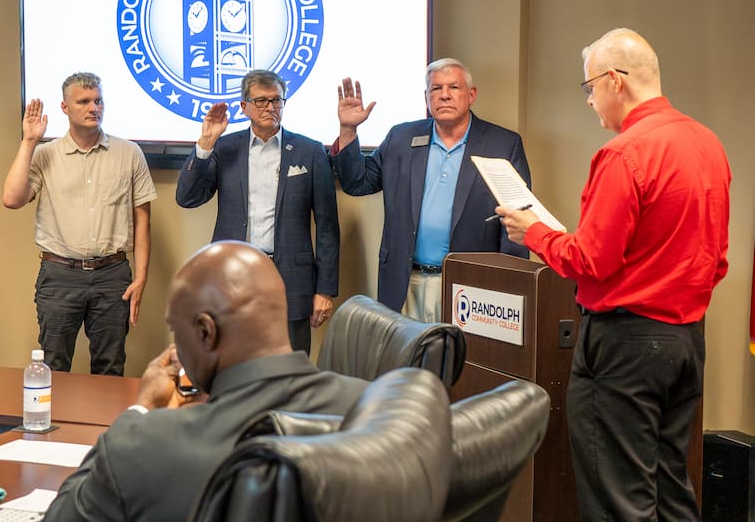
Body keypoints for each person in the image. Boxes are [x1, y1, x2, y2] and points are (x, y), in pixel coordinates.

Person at [499, 28, 730, 521]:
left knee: (618, 502)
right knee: (673, 492)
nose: (589, 101)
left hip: (625, 347)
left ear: (613, 80)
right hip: (687, 342)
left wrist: (534, 232)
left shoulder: (624, 154)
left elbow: (590, 261)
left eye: (588, 88)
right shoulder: (707, 143)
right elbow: (718, 259)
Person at [42, 241, 368, 521]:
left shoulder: (149, 445)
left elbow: (65, 515)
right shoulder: (372, 408)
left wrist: (140, 410)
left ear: (205, 331)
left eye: (176, 330)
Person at [332, 59, 530, 321]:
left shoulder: (503, 144)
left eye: (454, 87)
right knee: (407, 361)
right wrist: (348, 130)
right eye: (436, 89)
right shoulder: (401, 138)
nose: (444, 95)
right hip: (405, 283)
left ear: (471, 95)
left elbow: (517, 222)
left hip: (472, 288)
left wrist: (509, 291)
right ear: (426, 97)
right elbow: (358, 183)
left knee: (463, 361)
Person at [175, 69, 340, 353]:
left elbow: (327, 226)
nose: (270, 108)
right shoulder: (225, 147)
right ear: (244, 106)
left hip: (291, 277)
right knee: (231, 360)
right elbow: (187, 198)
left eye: (276, 100)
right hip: (233, 274)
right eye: (261, 101)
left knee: (290, 365)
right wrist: (205, 144)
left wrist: (324, 290)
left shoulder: (309, 151)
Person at [2, 72, 156, 375]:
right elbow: (11, 198)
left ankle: (106, 425)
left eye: (98, 101)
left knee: (110, 367)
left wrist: (140, 278)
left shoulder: (129, 153)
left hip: (112, 275)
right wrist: (29, 142)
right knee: (54, 366)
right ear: (65, 108)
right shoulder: (45, 155)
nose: (93, 108)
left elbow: (143, 221)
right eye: (84, 101)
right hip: (59, 275)